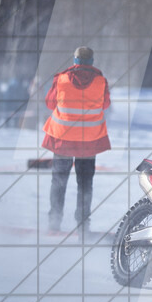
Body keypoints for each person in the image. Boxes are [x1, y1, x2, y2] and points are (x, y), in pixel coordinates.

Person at [42, 46, 111, 237]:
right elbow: (106, 104)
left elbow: (49, 103)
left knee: (59, 181)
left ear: (75, 60)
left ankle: (54, 223)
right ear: (92, 61)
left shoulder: (61, 79)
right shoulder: (101, 81)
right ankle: (82, 226)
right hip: (89, 141)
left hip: (63, 140)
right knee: (85, 184)